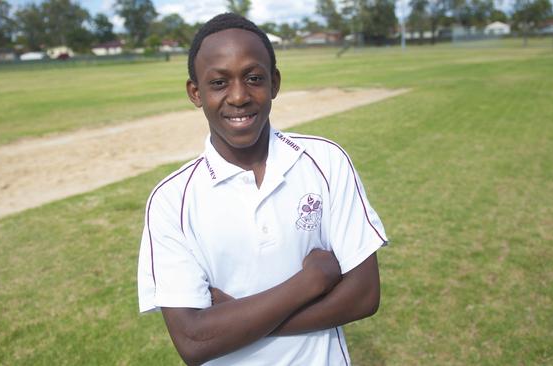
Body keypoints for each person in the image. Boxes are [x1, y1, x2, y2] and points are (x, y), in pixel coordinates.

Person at [137, 13, 388, 365]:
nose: (239, 96)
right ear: (196, 93)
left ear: (274, 82)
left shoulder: (325, 161)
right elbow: (193, 341)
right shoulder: (170, 201)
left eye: (254, 78)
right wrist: (312, 281)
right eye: (219, 83)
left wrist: (233, 320)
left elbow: (364, 296)